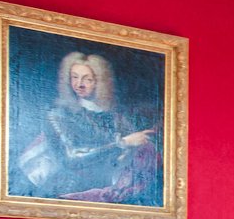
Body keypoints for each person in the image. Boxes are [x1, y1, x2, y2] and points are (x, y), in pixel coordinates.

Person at [16, 51, 162, 204]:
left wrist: (135, 146)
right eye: (75, 77)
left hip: (109, 189)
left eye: (87, 79)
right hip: (71, 190)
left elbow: (121, 157)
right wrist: (123, 143)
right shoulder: (58, 115)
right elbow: (71, 158)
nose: (79, 84)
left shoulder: (115, 116)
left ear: (100, 82)